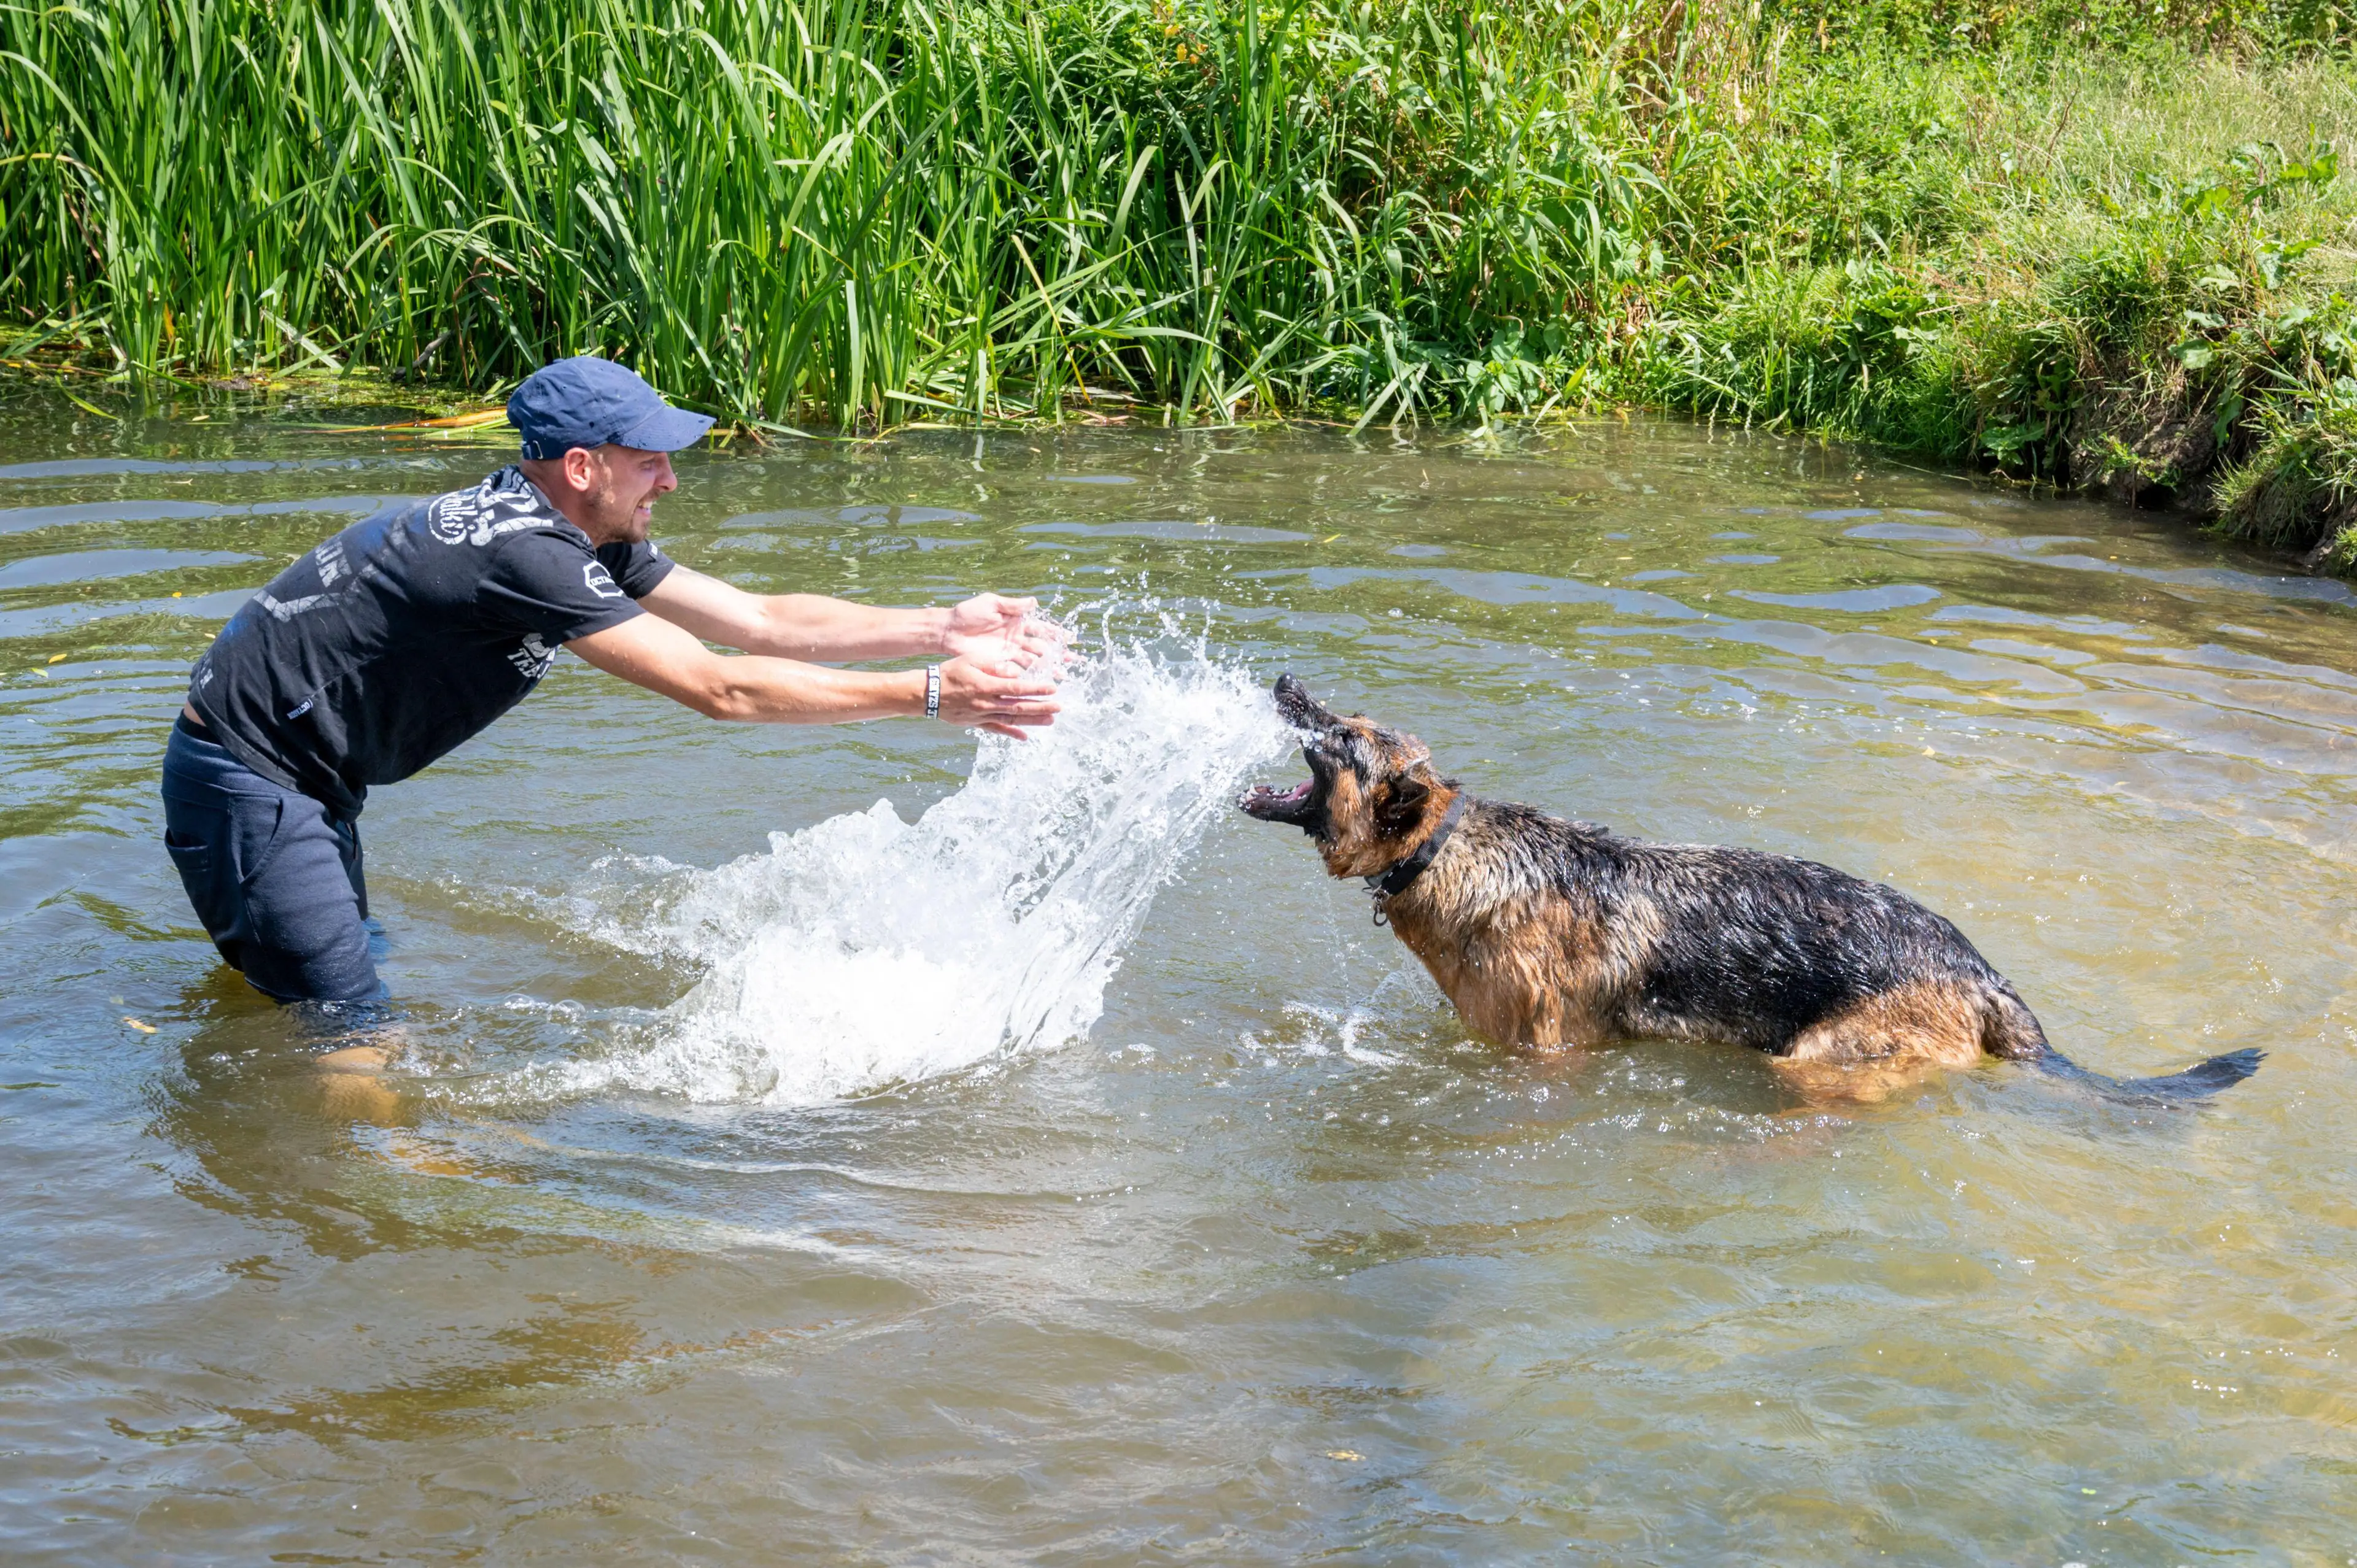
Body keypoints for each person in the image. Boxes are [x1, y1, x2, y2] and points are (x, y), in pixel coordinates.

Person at [161, 355, 1062, 1023]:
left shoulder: (576, 531)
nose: (670, 478)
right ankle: (398, 1194)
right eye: (651, 460)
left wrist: (944, 627)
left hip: (301, 775)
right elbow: (721, 689)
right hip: (253, 776)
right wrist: (933, 694)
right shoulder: (522, 552)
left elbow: (755, 621)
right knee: (349, 1024)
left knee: (313, 989)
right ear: (582, 466)